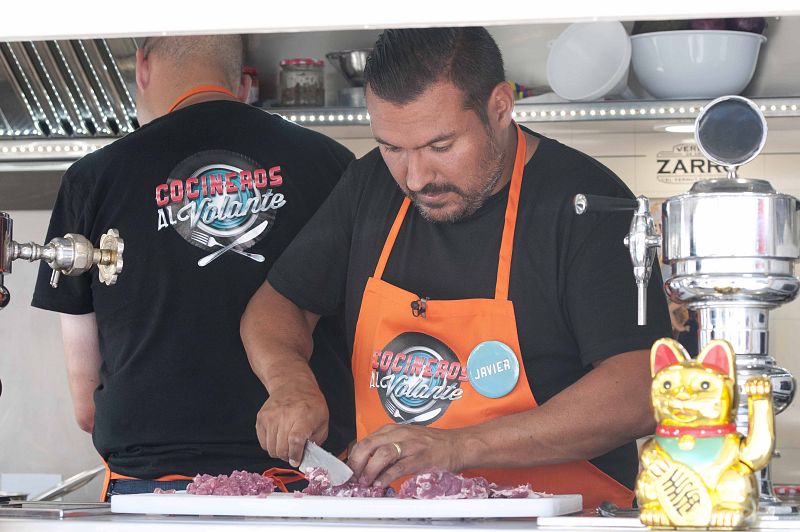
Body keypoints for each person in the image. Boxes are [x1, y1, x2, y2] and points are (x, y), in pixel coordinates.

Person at [241, 27, 671, 508]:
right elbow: (279, 304)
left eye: (440, 147)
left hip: (562, 515)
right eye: (392, 148)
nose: (416, 178)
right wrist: (289, 382)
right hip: (399, 516)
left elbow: (640, 386)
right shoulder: (370, 186)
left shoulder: (586, 203)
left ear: (500, 107)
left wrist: (459, 446)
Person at [31, 35, 355, 499]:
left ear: (142, 65)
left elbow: (87, 407)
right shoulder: (332, 164)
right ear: (243, 81)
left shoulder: (91, 180)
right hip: (307, 487)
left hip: (153, 496)